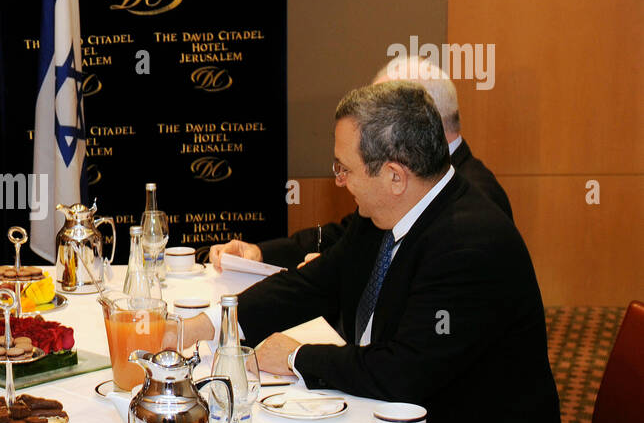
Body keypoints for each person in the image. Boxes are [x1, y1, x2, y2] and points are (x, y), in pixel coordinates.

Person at [184, 81, 564, 423]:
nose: (338, 181)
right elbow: (314, 283)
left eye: (345, 169)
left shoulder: (470, 242)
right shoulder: (390, 213)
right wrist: (205, 326)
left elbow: (402, 372)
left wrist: (295, 356)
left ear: (395, 175)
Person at [211, 57, 512, 270]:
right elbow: (347, 234)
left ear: (421, 119)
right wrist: (262, 252)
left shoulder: (472, 202)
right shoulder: (402, 177)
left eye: (377, 115)